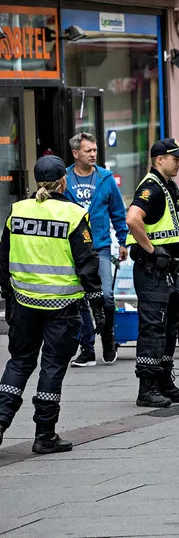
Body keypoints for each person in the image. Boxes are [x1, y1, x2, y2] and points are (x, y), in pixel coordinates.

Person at [0, 156, 104, 453]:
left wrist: (8, 294)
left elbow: (3, 258)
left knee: (19, 363)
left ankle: (0, 421)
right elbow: (87, 264)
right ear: (64, 181)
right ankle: (44, 435)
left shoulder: (17, 211)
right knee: (52, 366)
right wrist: (97, 306)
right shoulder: (73, 214)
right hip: (62, 307)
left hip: (24, 304)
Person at [125, 138, 179, 408]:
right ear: (159, 160)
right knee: (153, 327)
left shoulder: (169, 186)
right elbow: (133, 219)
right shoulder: (152, 188)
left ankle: (165, 381)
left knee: (169, 326)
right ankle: (147, 388)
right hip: (152, 269)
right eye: (175, 157)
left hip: (168, 269)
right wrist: (152, 251)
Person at [65, 132, 128, 368]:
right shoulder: (65, 179)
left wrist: (122, 241)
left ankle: (108, 338)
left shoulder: (105, 178)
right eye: (88, 151)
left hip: (100, 246)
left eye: (94, 150)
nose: (93, 154)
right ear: (75, 153)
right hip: (72, 248)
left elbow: (118, 213)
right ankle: (87, 349)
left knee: (106, 298)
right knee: (80, 298)